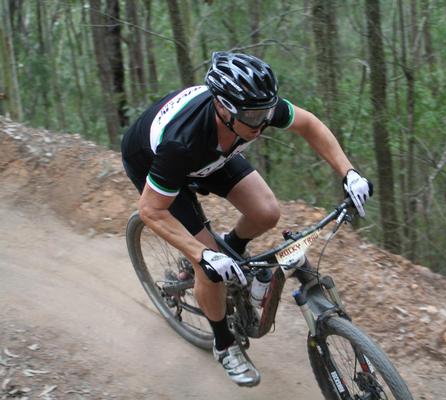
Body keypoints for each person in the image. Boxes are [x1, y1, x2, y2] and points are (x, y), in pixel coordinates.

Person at [121, 51, 372, 386]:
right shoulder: (181, 142)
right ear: (223, 108)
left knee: (267, 212)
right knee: (210, 273)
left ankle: (231, 249)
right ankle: (224, 344)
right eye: (254, 116)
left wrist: (349, 173)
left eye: (266, 111)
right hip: (162, 165)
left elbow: (309, 124)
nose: (263, 121)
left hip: (214, 156)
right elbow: (150, 211)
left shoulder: (254, 106)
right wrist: (203, 255)